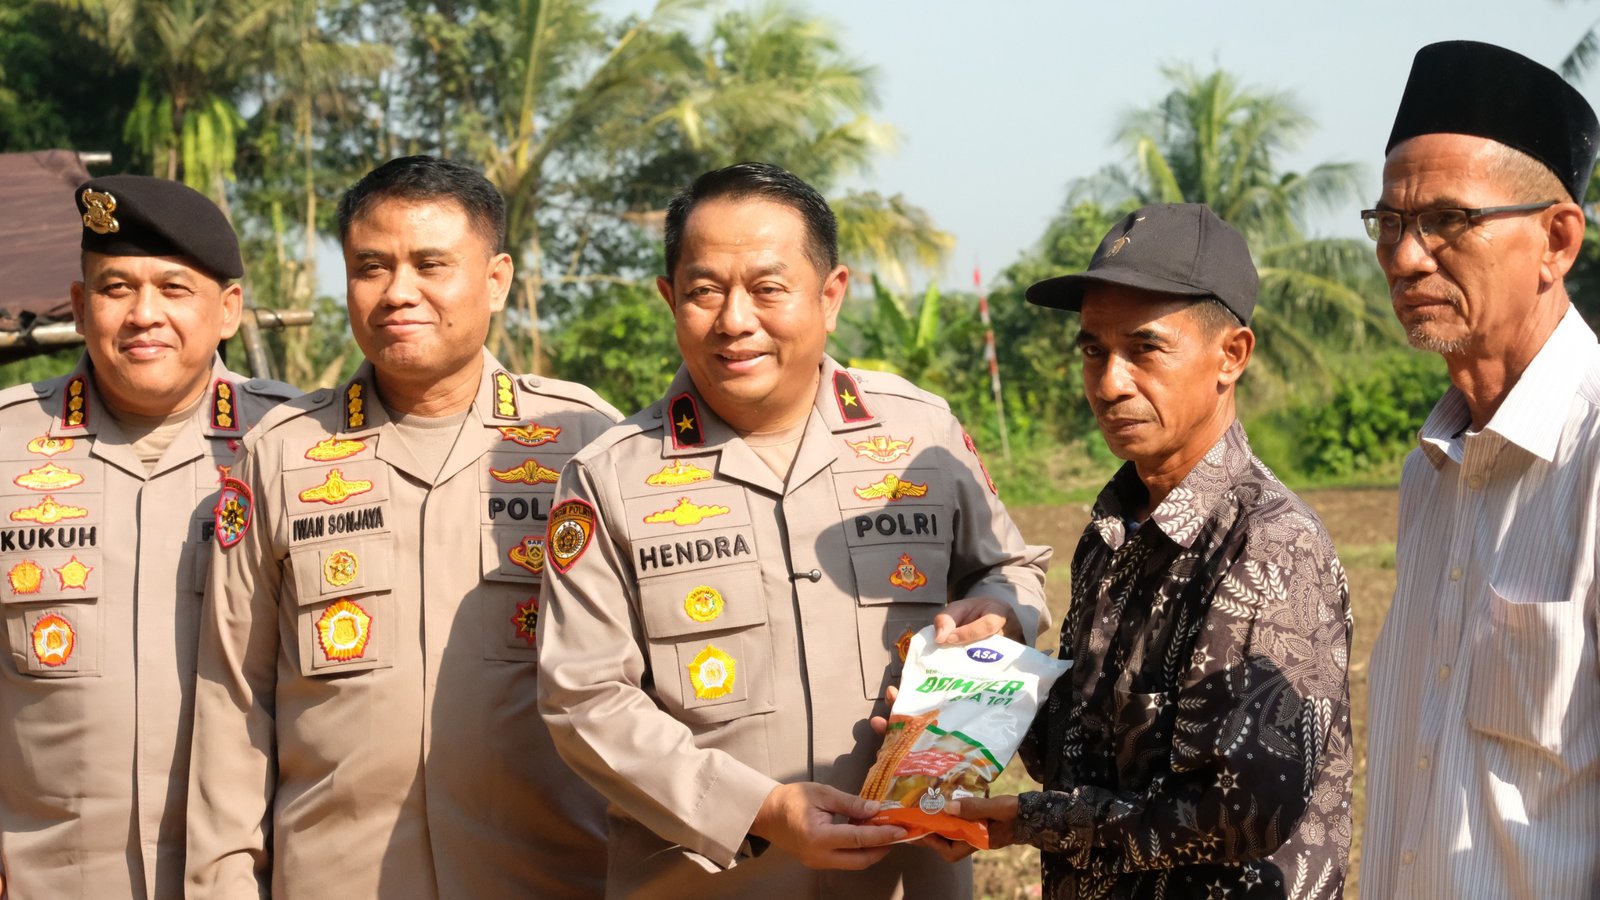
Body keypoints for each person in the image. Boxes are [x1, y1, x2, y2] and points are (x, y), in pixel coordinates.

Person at [535, 161, 1051, 898]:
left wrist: (1000, 612)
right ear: (668, 299)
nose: (735, 320)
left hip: (908, 878)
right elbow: (583, 699)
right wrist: (761, 810)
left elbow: (1013, 570)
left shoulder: (920, 433)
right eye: (704, 291)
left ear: (830, 294)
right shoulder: (609, 477)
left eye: (768, 288)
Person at [185, 155, 621, 898]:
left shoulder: (583, 439)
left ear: (497, 279)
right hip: (336, 879)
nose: (398, 293)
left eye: (431, 264)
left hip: (551, 877)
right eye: (371, 267)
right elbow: (233, 699)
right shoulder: (282, 454)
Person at [952, 204, 1353, 898]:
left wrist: (1035, 823)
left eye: (1144, 349)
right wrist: (971, 676)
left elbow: (1240, 814)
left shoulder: (1268, 545)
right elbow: (1069, 750)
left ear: (1231, 356)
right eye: (1092, 350)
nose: (1109, 383)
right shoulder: (1111, 535)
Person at [0, 175, 296, 898]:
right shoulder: (4, 443)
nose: (143, 315)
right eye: (115, 288)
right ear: (78, 307)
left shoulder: (300, 446)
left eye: (173, 288)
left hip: (254, 882)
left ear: (228, 310)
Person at [1360, 41, 1600, 899]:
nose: (1405, 257)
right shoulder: (1431, 472)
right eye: (1388, 223)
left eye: (1447, 222)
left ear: (1556, 240)